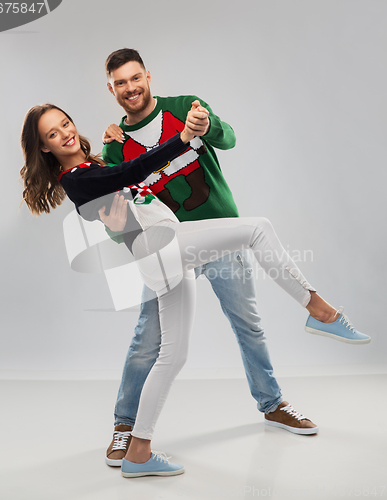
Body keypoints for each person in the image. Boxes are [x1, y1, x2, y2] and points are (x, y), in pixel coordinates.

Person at [20, 103, 370, 478]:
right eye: (53, 134)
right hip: (162, 246)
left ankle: (139, 452)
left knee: (173, 355)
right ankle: (320, 310)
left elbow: (125, 187)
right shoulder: (75, 179)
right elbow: (133, 171)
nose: (65, 133)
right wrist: (183, 138)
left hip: (160, 253)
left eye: (65, 123)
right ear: (44, 148)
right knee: (257, 228)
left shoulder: (91, 165)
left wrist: (113, 142)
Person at [100, 48, 360, 468]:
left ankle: (272, 403)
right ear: (111, 88)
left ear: (149, 76)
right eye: (121, 82)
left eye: (136, 78)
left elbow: (229, 139)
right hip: (168, 251)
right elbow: (120, 221)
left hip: (221, 237)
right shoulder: (116, 147)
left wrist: (209, 125)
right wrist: (116, 229)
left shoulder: (186, 109)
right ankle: (125, 427)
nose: (130, 88)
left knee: (248, 325)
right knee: (147, 341)